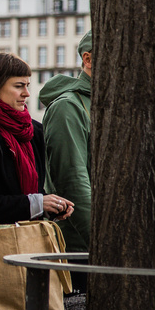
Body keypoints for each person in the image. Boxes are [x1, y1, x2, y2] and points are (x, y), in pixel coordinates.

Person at [0, 53, 74, 225]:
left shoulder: (34, 131)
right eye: (19, 86)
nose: (26, 93)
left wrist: (51, 206)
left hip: (32, 237)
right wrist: (36, 203)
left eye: (27, 85)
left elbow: (34, 191)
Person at [40, 31, 93, 254]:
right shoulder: (68, 107)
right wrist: (110, 248)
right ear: (87, 59)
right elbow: (73, 181)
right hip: (81, 250)